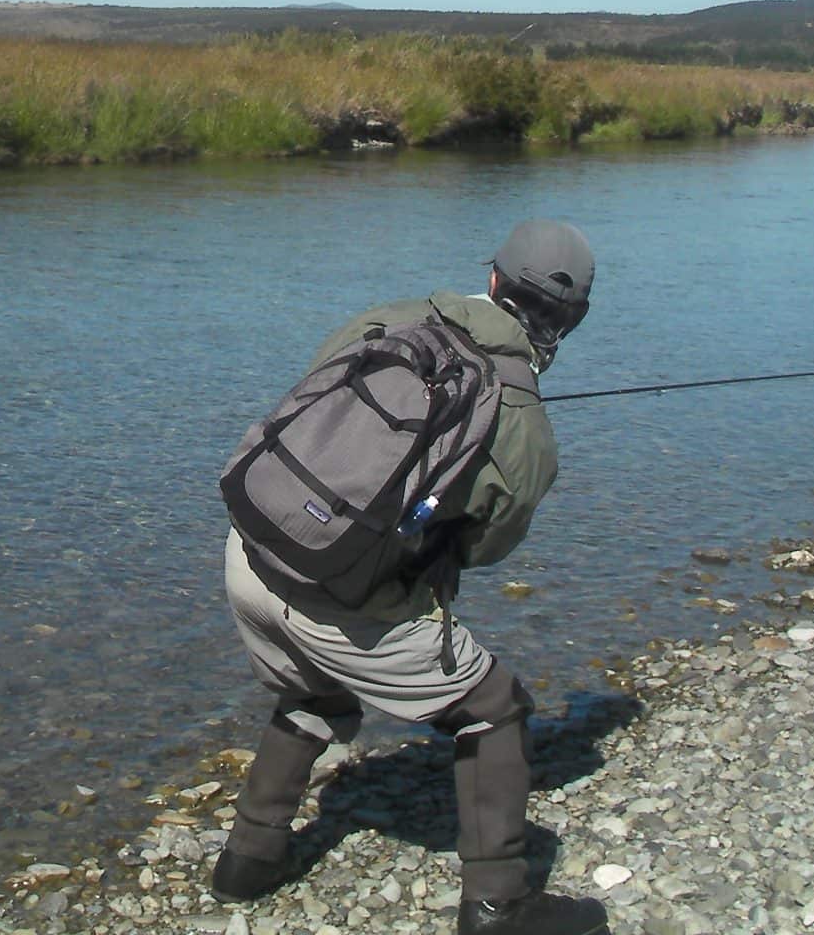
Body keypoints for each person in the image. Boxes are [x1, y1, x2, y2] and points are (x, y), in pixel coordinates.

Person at [214, 220, 608, 935]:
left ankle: (247, 860)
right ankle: (497, 905)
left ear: (492, 279)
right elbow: (485, 548)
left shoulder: (386, 318)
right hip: (339, 600)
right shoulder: (525, 423)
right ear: (571, 321)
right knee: (496, 710)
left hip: (250, 548)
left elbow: (313, 398)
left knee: (313, 692)